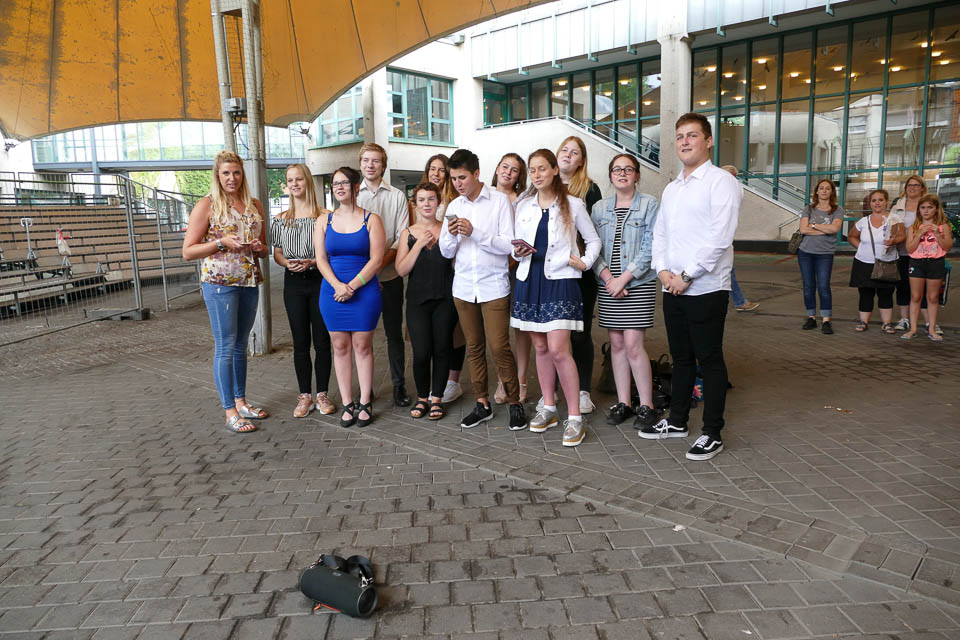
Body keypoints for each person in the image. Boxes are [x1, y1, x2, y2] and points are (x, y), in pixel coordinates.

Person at [650, 113, 742, 462]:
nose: (685, 141)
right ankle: (677, 421)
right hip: (671, 286)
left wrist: (687, 275)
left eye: (692, 135)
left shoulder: (721, 182)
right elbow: (661, 234)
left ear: (708, 141)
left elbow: (720, 237)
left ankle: (712, 433)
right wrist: (663, 272)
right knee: (681, 358)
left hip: (705, 288)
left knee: (710, 359)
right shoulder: (672, 188)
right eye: (680, 136)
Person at [512, 149, 600, 447]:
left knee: (559, 350)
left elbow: (594, 240)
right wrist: (517, 252)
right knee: (540, 347)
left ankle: (574, 417)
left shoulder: (574, 204)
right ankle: (548, 407)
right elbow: (516, 246)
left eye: (542, 168)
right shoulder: (523, 205)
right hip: (529, 281)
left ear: (553, 170)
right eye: (532, 170)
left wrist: (584, 263)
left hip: (561, 282)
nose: (536, 175)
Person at [439, 148, 527, 432]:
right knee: (474, 347)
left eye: (462, 177)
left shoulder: (499, 201)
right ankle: (482, 404)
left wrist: (474, 232)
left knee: (499, 346)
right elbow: (445, 251)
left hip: (493, 285)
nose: (457, 183)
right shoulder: (454, 206)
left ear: (476, 174)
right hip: (464, 287)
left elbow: (508, 245)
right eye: (453, 178)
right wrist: (452, 236)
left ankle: (515, 402)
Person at [182, 150, 269, 434]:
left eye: (236, 172)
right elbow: (188, 251)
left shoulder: (254, 204)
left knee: (241, 344)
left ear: (243, 174)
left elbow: (264, 249)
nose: (232, 178)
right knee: (226, 345)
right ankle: (229, 410)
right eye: (226, 173)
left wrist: (260, 248)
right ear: (217, 176)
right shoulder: (207, 204)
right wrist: (221, 243)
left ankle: (241, 402)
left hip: (249, 281)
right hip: (219, 283)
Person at [591, 153, 660, 430]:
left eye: (628, 169)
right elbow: (592, 247)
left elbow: (651, 247)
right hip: (608, 285)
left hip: (637, 285)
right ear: (610, 175)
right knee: (617, 345)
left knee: (633, 345)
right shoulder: (599, 208)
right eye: (617, 169)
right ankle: (624, 403)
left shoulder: (650, 204)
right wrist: (609, 278)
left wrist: (624, 279)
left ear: (637, 175)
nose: (622, 173)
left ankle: (647, 405)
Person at [315, 167, 386, 428]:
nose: (339, 187)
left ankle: (365, 400)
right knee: (340, 346)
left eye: (344, 183)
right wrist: (338, 286)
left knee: (362, 346)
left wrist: (352, 287)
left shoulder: (372, 220)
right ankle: (347, 402)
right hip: (332, 292)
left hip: (364, 291)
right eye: (335, 184)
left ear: (356, 187)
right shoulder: (323, 221)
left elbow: (376, 260)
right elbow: (321, 259)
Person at [270, 164, 336, 417]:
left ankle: (322, 394)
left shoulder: (325, 216)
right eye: (290, 180)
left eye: (299, 179)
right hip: (293, 283)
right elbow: (277, 253)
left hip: (320, 279)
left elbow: (331, 251)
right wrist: (287, 263)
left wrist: (314, 261)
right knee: (300, 342)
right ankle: (304, 396)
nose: (295, 184)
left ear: (308, 181)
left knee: (322, 340)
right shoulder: (280, 219)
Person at [356, 143, 411, 407]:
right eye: (366, 160)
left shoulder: (397, 196)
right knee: (361, 336)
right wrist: (365, 273)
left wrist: (376, 267)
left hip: (389, 276)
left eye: (376, 161)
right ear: (360, 164)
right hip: (358, 280)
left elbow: (402, 238)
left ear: (383, 165)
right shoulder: (353, 195)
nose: (370, 165)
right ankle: (365, 390)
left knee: (394, 334)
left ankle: (399, 386)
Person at [395, 182, 457, 419]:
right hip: (417, 302)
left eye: (431, 199)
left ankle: (437, 398)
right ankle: (422, 397)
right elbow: (401, 269)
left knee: (442, 349)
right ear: (415, 204)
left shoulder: (448, 230)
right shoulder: (408, 233)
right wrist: (419, 245)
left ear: (439, 202)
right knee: (421, 351)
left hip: (445, 299)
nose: (427, 204)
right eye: (421, 200)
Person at [556, 136, 602, 414]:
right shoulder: (545, 184)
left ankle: (583, 391)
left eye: (574, 153)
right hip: (552, 273)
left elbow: (595, 234)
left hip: (580, 273)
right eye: (564, 150)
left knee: (580, 334)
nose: (568, 155)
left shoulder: (589, 189)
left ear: (581, 160)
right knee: (554, 335)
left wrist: (585, 262)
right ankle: (554, 391)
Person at [421, 154, 467, 404]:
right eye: (432, 168)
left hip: (452, 272)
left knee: (454, 332)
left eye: (441, 170)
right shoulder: (419, 201)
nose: (436, 174)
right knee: (428, 332)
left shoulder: (455, 202)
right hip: (426, 274)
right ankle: (433, 381)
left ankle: (452, 381)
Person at [491, 152, 531, 405]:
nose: (507, 172)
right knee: (498, 331)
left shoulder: (523, 202)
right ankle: (503, 380)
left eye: (514, 170)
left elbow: (523, 238)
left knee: (521, 328)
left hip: (517, 269)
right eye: (504, 166)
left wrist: (511, 261)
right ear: (496, 168)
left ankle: (522, 380)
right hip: (490, 270)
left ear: (519, 176)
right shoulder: (485, 196)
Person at [847, 189, 905, 333]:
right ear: (870, 203)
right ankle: (863, 322)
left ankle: (886, 323)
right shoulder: (863, 221)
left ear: (886, 201)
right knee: (865, 293)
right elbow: (852, 236)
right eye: (874, 200)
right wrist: (861, 248)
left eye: (880, 200)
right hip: (864, 263)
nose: (877, 203)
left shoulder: (895, 219)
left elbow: (902, 236)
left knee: (886, 293)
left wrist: (893, 241)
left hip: (887, 262)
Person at [891, 176, 941, 335]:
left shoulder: (928, 204)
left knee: (926, 289)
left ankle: (929, 322)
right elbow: (891, 226)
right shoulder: (897, 205)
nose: (912, 188)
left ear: (922, 187)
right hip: (903, 252)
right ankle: (904, 319)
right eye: (909, 185)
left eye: (916, 185)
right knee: (903, 286)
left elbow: (938, 225)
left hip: (926, 253)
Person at [901, 193, 952, 342]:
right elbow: (909, 249)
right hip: (917, 263)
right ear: (919, 210)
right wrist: (919, 234)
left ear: (936, 209)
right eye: (923, 207)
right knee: (916, 296)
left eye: (930, 207)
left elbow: (947, 247)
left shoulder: (943, 227)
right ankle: (913, 329)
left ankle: (932, 329)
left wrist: (937, 234)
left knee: (933, 297)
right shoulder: (913, 227)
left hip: (935, 262)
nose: (926, 210)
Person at [797, 178, 844, 334]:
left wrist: (814, 225)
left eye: (827, 188)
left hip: (825, 254)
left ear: (832, 192)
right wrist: (825, 229)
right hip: (805, 252)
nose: (824, 191)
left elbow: (835, 229)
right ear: (816, 191)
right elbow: (803, 230)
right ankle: (811, 317)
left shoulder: (837, 210)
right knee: (808, 287)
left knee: (823, 286)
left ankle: (826, 320)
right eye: (821, 188)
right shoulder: (808, 209)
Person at [719, 166, 759, 312]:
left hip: (722, 239)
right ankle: (739, 302)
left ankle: (739, 301)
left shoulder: (730, 191)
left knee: (728, 270)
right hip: (718, 240)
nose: (733, 180)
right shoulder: (720, 191)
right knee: (727, 270)